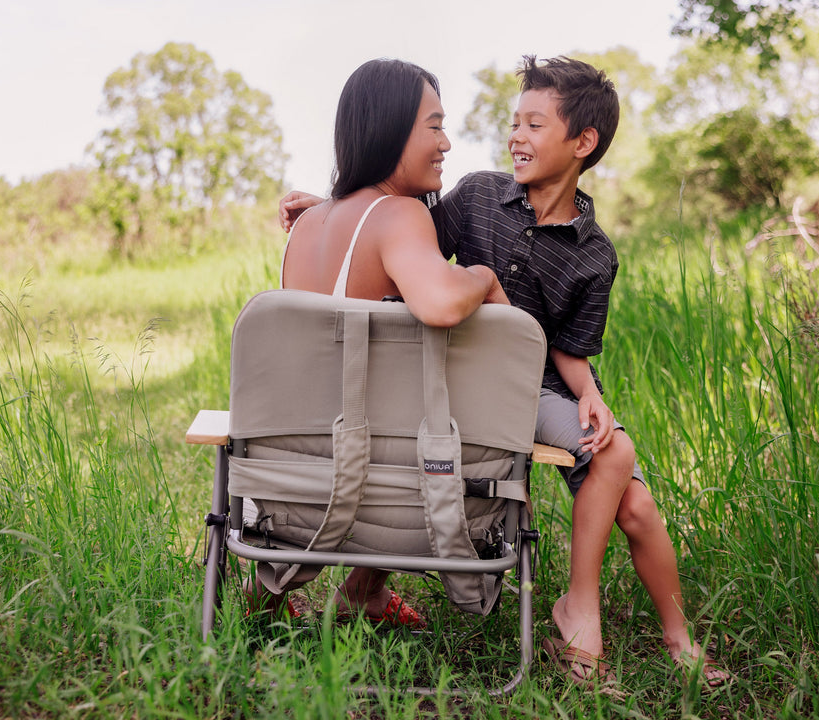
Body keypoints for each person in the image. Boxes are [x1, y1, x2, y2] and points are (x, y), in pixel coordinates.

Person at [279, 55, 730, 691]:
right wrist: (330, 206)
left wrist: (591, 395)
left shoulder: (596, 255)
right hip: (462, 385)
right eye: (513, 122)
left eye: (533, 124)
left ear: (583, 143)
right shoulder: (480, 196)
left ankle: (664, 632)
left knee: (629, 484)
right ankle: (386, 592)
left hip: (536, 388)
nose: (515, 135)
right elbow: (393, 238)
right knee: (616, 458)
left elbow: (571, 350)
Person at [251, 57, 508, 628]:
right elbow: (441, 304)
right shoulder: (400, 215)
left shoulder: (308, 228)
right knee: (422, 406)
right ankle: (364, 589)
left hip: (295, 487)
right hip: (392, 493)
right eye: (434, 125)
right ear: (391, 128)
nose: (447, 141)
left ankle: (279, 598)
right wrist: (483, 277)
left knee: (377, 391)